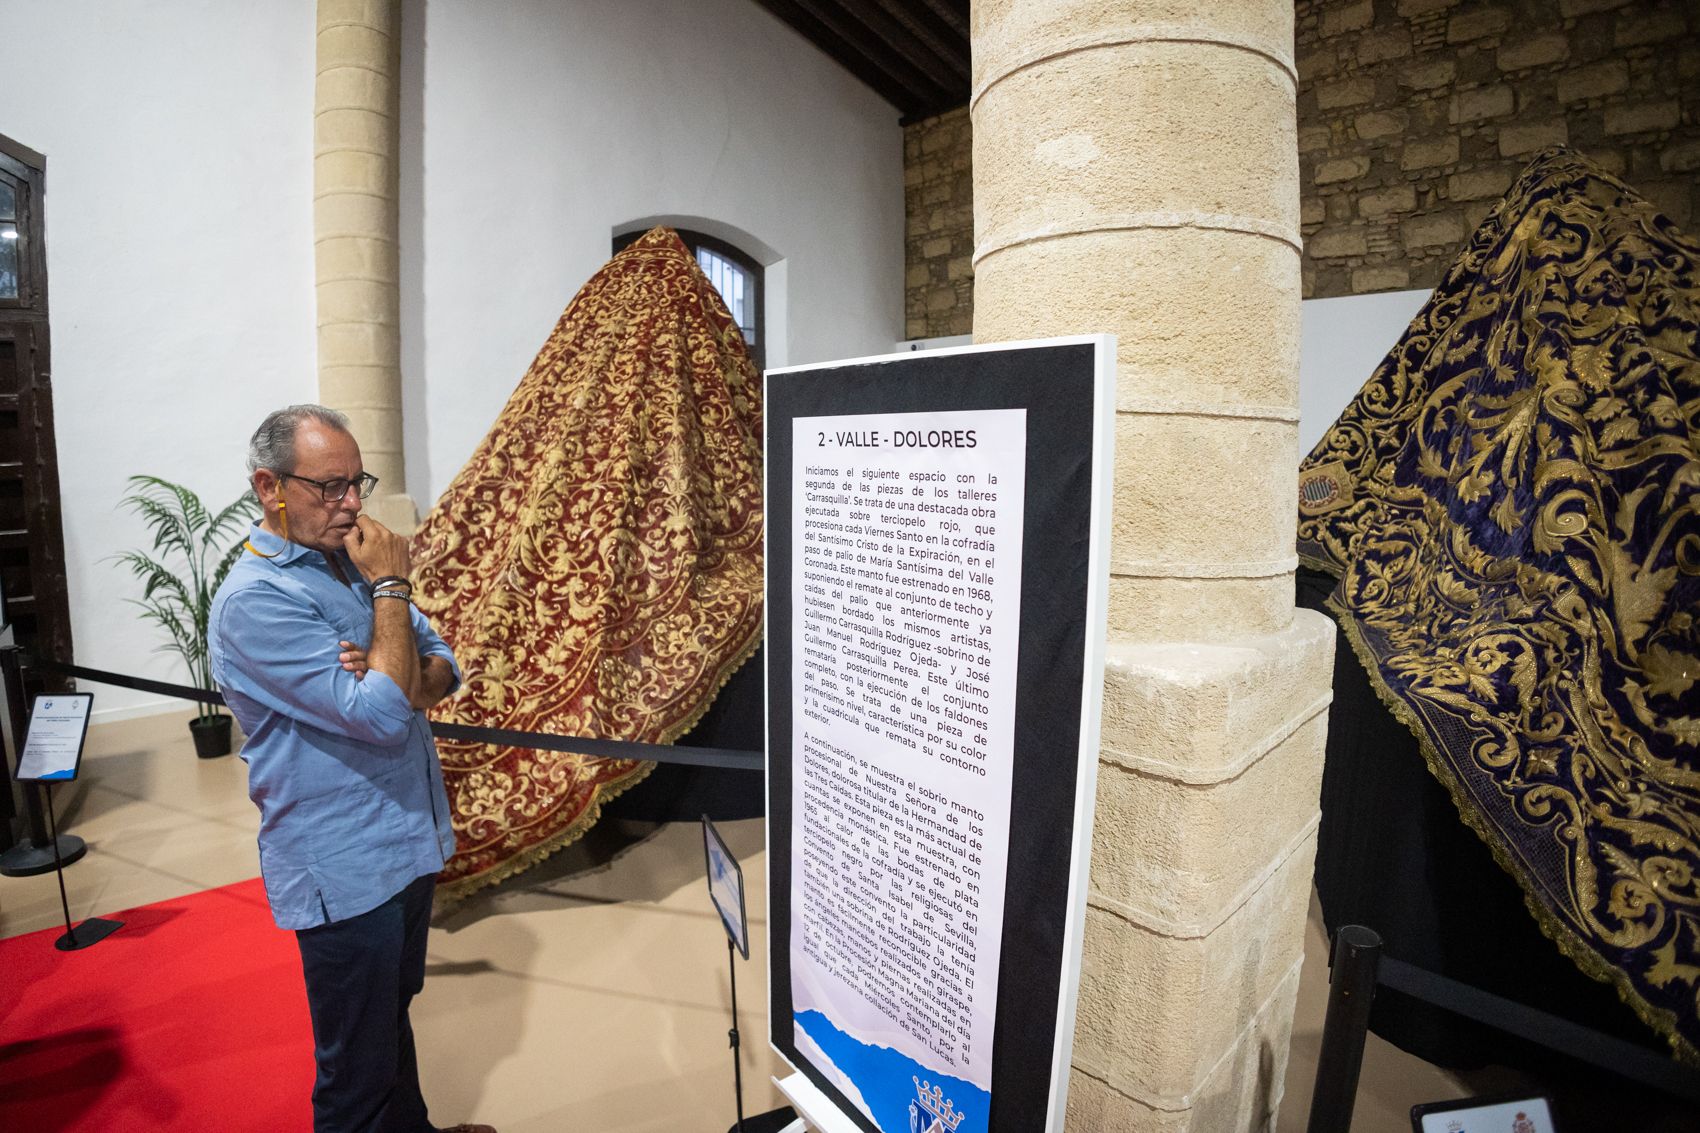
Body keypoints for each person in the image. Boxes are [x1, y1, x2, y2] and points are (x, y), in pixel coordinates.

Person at [210, 404, 494, 1133]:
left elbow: (444, 666)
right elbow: (379, 715)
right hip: (343, 862)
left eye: (356, 482)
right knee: (354, 1075)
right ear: (268, 485)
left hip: (404, 838)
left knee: (388, 1021)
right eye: (330, 486)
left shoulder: (346, 560)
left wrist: (386, 668)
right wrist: (393, 595)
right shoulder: (255, 600)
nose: (353, 503)